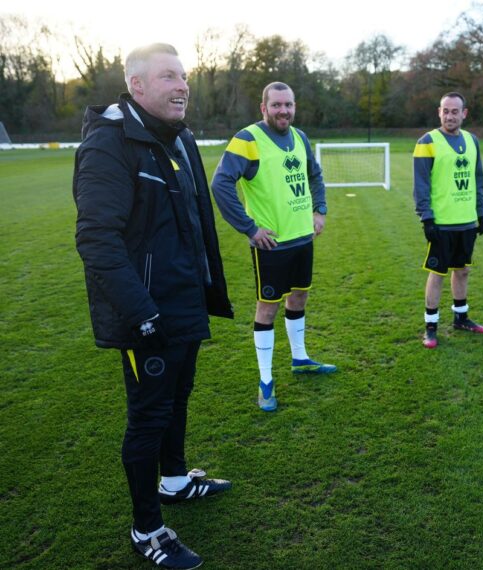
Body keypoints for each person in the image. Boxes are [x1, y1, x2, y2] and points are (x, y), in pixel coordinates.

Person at [73, 43, 234, 569]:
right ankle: (148, 530)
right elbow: (98, 240)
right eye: (169, 76)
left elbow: (193, 224)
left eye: (184, 75)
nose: (182, 84)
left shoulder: (180, 138)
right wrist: (142, 313)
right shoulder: (109, 142)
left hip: (184, 301)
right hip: (146, 313)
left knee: (178, 397)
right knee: (147, 417)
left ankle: (174, 481)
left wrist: (206, 289)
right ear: (137, 85)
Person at [212, 82, 336, 413]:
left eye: (289, 105)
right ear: (263, 107)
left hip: (303, 238)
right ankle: (265, 381)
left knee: (299, 296)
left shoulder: (300, 137)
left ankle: (300, 359)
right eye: (277, 105)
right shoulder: (248, 140)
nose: (284, 111)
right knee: (268, 306)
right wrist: (249, 228)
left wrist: (319, 210)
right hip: (272, 244)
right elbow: (221, 183)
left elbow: (315, 175)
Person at [413, 92, 483, 348]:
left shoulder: (472, 140)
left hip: (466, 221)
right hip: (442, 223)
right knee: (437, 273)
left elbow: (478, 179)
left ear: (464, 113)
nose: (450, 116)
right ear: (439, 112)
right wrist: (427, 218)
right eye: (446, 111)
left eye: (455, 111)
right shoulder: (427, 142)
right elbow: (421, 185)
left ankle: (461, 318)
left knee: (463, 270)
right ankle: (430, 327)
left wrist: (481, 212)